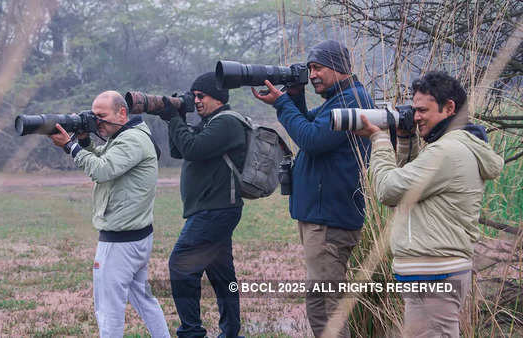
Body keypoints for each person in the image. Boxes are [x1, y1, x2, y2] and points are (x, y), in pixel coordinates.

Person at [355, 71, 504, 337]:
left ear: (449, 108)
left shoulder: (447, 152)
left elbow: (390, 190)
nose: (416, 117)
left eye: (423, 110)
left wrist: (378, 141)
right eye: (414, 111)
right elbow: (409, 190)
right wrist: (405, 140)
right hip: (433, 273)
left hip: (435, 275)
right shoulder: (449, 148)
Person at [252, 40, 374, 337]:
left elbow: (312, 139)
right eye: (309, 69)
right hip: (322, 217)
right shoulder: (341, 98)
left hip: (329, 220)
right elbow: (312, 124)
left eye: (318, 67)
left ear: (339, 67)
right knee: (321, 302)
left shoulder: (351, 101)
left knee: (326, 307)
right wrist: (293, 97)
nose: (313, 74)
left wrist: (282, 103)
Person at [48, 90, 169, 338]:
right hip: (136, 237)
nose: (97, 122)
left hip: (120, 242)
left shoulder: (131, 140)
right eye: (93, 116)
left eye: (101, 116)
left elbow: (102, 170)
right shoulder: (131, 135)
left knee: (108, 309)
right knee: (144, 300)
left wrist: (71, 147)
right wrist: (83, 141)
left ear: (122, 113)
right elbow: (105, 157)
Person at [159, 72, 247, 337]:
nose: (196, 100)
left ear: (218, 98)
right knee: (222, 275)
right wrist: (177, 116)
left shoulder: (226, 123)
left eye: (201, 96)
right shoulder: (211, 122)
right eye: (193, 96)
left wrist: (174, 117)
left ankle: (191, 331)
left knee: (181, 265)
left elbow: (192, 149)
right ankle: (231, 332)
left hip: (215, 210)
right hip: (213, 209)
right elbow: (179, 149)